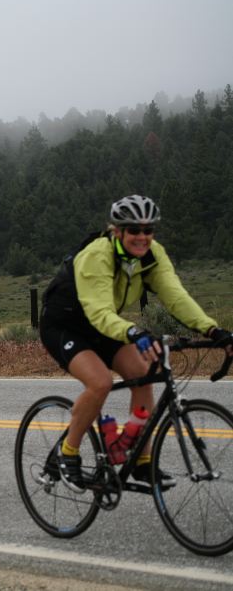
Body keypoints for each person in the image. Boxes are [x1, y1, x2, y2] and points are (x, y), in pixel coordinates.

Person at [40, 194, 233, 492]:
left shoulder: (153, 255)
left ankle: (142, 462)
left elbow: (176, 296)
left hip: (105, 326)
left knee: (144, 376)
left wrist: (212, 330)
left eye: (148, 230)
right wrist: (134, 333)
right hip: (65, 325)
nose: (142, 237)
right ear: (117, 231)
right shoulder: (97, 255)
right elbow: (99, 311)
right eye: (134, 230)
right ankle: (67, 454)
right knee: (100, 383)